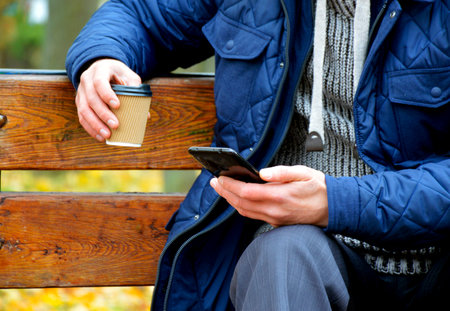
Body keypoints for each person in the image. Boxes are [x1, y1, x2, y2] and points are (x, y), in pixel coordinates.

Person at [66, 0, 450, 310]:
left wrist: (336, 202)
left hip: (432, 261)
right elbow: (141, 15)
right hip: (298, 256)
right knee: (282, 256)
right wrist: (102, 57)